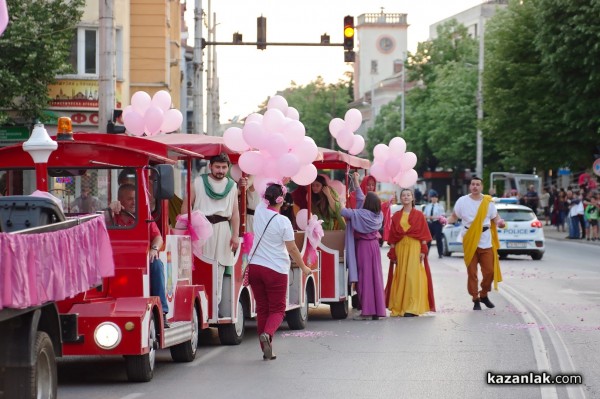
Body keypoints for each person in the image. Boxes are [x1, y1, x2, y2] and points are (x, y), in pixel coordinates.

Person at [248, 183, 312, 360]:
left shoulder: (260, 211)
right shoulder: (284, 222)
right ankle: (267, 335)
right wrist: (304, 267)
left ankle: (265, 349)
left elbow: (262, 197)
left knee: (262, 309)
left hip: (255, 267)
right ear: (282, 200)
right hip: (275, 269)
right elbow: (292, 249)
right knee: (277, 309)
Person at [181, 153, 241, 307]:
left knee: (219, 267)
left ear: (228, 168)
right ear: (210, 167)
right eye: (217, 167)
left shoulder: (232, 185)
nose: (220, 170)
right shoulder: (198, 182)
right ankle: (201, 306)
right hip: (201, 229)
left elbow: (235, 213)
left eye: (224, 167)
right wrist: (186, 230)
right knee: (200, 267)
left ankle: (214, 305)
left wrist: (235, 235)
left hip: (222, 229)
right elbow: (185, 208)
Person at [110, 183, 170, 327]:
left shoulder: (144, 216)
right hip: (115, 258)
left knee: (156, 264)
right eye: (130, 199)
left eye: (136, 198)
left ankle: (162, 311)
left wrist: (154, 249)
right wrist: (109, 210)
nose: (134, 202)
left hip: (140, 258)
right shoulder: (111, 216)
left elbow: (158, 237)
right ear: (120, 201)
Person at [446, 176, 506, 311]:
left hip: (485, 239)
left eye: (477, 184)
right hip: (469, 239)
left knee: (489, 272)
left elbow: (495, 217)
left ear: (481, 187)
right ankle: (475, 298)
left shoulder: (488, 201)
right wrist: (446, 221)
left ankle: (483, 294)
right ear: (469, 186)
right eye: (473, 184)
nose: (475, 187)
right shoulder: (462, 201)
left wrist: (500, 223)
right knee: (472, 273)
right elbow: (454, 216)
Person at [342, 172, 386, 321]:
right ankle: (377, 310)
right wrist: (356, 181)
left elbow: (342, 211)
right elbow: (361, 196)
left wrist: (335, 199)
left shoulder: (360, 214)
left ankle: (366, 312)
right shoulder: (379, 215)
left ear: (367, 203)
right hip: (375, 247)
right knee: (376, 278)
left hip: (363, 248)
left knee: (364, 279)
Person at [386, 188, 435, 317]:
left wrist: (423, 250)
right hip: (400, 248)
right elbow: (392, 236)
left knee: (413, 277)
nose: (406, 197)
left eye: (408, 195)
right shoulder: (396, 216)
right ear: (400, 198)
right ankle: (401, 306)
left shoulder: (419, 215)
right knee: (402, 275)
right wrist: (392, 251)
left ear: (413, 198)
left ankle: (412, 307)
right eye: (403, 195)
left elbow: (424, 234)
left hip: (414, 247)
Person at [424, 190, 445, 259]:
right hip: (429, 223)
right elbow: (424, 215)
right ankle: (426, 253)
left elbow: (442, 216)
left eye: (435, 197)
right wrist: (428, 217)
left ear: (437, 198)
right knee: (428, 239)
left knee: (438, 238)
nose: (434, 199)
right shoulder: (428, 206)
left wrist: (434, 217)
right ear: (430, 198)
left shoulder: (439, 206)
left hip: (437, 223)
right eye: (432, 197)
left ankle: (440, 253)